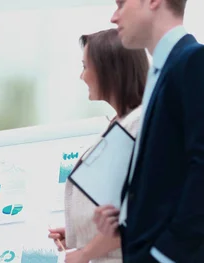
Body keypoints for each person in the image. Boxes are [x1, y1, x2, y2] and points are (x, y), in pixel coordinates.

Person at [93, 0, 204, 262]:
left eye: (121, 4)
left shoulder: (193, 61)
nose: (113, 17)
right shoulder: (162, 71)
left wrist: (165, 254)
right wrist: (125, 218)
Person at [47, 28, 148, 263]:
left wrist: (83, 254)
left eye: (85, 67)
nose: (82, 76)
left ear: (109, 71)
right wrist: (80, 235)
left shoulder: (136, 127)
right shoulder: (124, 122)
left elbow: (131, 215)